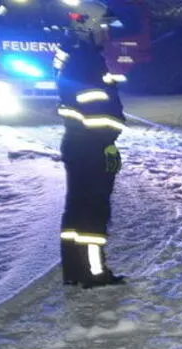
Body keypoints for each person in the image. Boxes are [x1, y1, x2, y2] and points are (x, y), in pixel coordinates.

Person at [54, 1, 127, 288]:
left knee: (76, 210)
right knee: (93, 213)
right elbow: (99, 113)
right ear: (89, 27)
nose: (106, 33)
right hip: (92, 147)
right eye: (103, 27)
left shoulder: (73, 55)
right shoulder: (87, 62)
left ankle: (74, 271)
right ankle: (94, 274)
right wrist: (109, 139)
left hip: (79, 145)